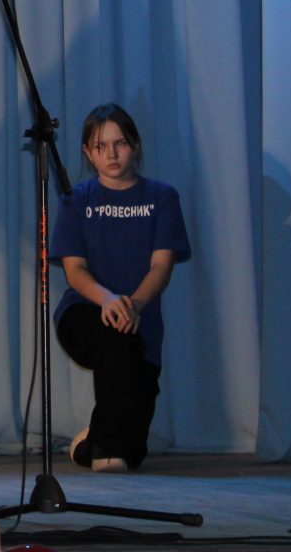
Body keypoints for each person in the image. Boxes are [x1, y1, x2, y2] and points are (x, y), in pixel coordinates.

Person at [49, 103, 190, 472]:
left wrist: (133, 305)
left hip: (139, 320)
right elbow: (75, 270)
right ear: (87, 152)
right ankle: (104, 452)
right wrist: (109, 300)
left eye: (120, 144)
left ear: (136, 145)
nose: (111, 154)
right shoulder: (76, 200)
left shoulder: (162, 198)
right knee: (116, 336)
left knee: (133, 449)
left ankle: (92, 443)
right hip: (84, 312)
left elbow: (161, 266)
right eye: (101, 146)